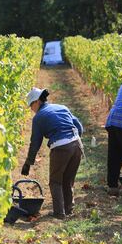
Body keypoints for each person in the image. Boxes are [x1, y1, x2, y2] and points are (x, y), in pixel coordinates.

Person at [21, 88, 83, 219]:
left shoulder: (38, 118)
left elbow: (35, 143)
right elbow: (79, 126)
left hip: (60, 147)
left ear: (37, 101)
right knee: (68, 179)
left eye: (31, 105)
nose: (31, 109)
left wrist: (28, 162)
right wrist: (74, 142)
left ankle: (59, 214)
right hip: (77, 144)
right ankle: (68, 209)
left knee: (55, 181)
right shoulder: (62, 107)